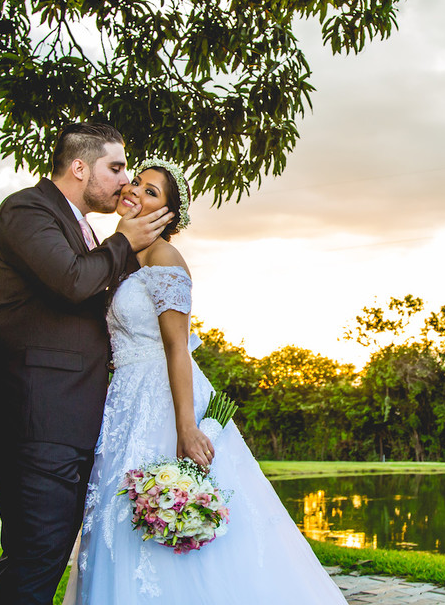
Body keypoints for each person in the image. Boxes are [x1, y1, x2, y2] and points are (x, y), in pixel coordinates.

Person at [67, 159, 347, 604]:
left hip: (164, 398)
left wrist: (186, 426)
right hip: (122, 404)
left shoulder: (164, 258)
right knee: (118, 519)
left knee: (170, 510)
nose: (136, 190)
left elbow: (178, 348)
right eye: (136, 181)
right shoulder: (115, 258)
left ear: (168, 216)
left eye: (153, 191)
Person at [0, 122, 173, 605]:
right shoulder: (26, 209)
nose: (125, 181)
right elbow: (74, 281)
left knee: (46, 553)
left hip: (69, 419)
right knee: (36, 556)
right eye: (116, 168)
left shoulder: (80, 228)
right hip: (36, 415)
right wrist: (123, 241)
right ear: (79, 167)